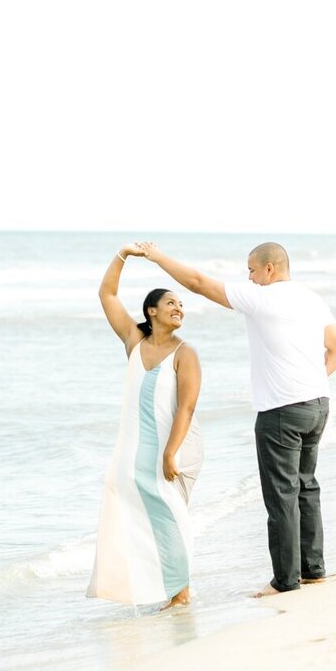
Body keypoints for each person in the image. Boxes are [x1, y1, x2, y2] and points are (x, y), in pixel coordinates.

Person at [137, 241, 336, 597]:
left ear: (269, 269)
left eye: (251, 270)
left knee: (281, 495)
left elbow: (198, 283)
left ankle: (285, 581)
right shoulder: (312, 298)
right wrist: (312, 382)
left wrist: (157, 256)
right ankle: (314, 571)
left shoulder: (261, 297)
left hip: (281, 411)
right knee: (306, 487)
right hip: (316, 404)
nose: (248, 277)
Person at [86, 243, 203, 610]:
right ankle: (160, 590)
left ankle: (181, 593)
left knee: (171, 519)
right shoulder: (134, 342)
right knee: (134, 519)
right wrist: (123, 255)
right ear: (151, 311)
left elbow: (186, 407)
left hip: (178, 446)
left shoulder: (186, 353)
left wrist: (171, 452)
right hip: (135, 450)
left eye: (181, 304)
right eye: (171, 303)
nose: (178, 308)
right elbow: (107, 294)